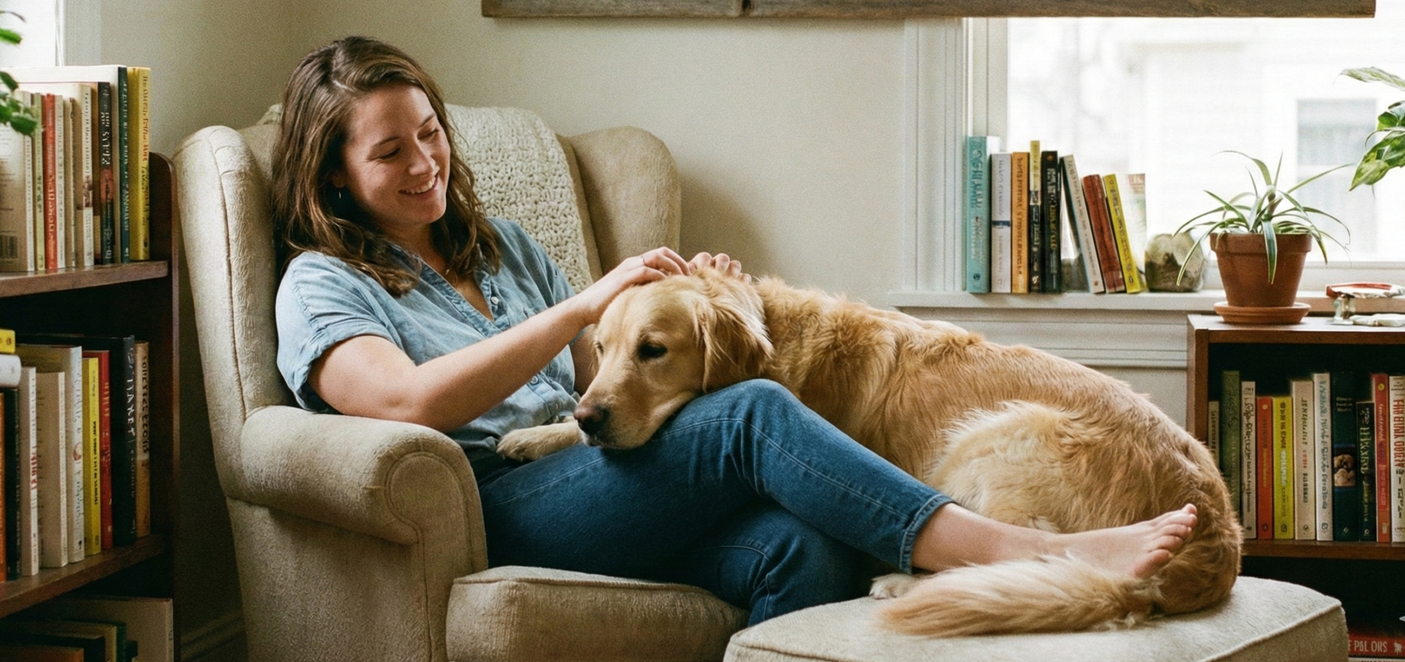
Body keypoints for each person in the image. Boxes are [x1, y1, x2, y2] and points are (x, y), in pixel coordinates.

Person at [271, 36, 1198, 624]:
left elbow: (609, 385)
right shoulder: (322, 283)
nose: (424, 161)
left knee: (807, 547)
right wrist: (587, 301)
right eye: (389, 150)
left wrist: (718, 308)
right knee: (756, 413)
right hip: (494, 500)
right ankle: (1036, 549)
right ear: (334, 175)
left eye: (429, 133)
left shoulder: (501, 246)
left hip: (599, 473)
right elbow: (402, 403)